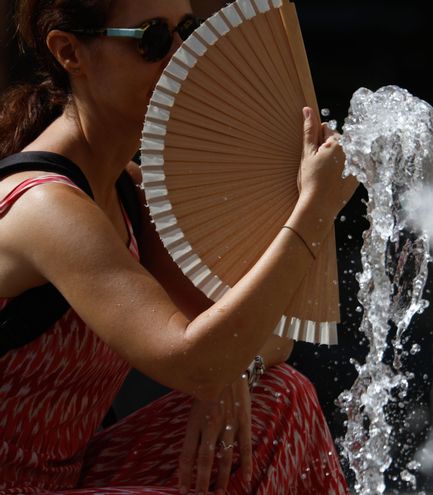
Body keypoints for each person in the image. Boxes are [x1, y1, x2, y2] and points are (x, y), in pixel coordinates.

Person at [0, 0, 358, 493]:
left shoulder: (125, 189)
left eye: (187, 31)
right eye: (151, 39)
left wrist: (235, 366)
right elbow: (195, 360)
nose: (181, 55)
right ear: (69, 53)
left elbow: (270, 335)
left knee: (281, 399)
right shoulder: (47, 207)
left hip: (69, 479)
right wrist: (313, 213)